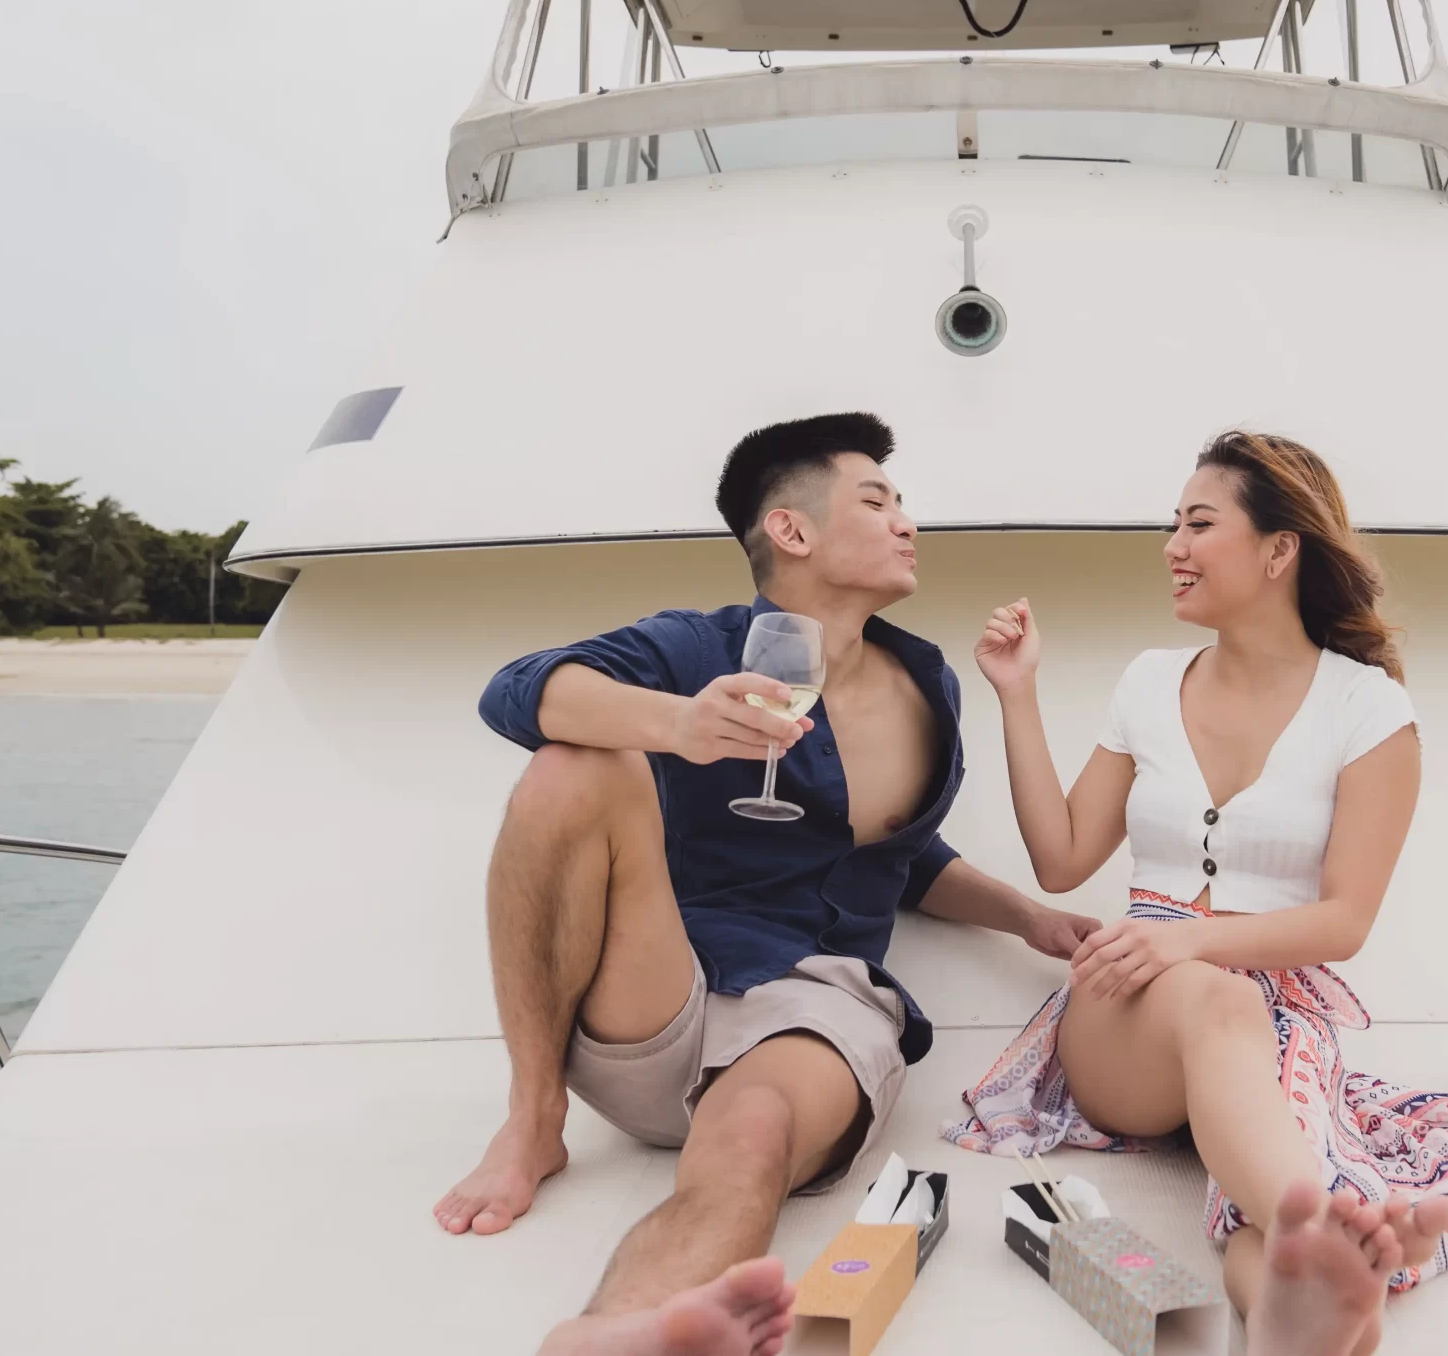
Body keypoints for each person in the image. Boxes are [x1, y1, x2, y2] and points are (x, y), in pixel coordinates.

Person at [950, 431, 1448, 1350]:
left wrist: (1193, 940)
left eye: (1198, 523)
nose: (1172, 545)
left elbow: (1345, 921)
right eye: (1173, 524)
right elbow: (1061, 858)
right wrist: (1016, 693)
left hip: (1277, 1014)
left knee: (1258, 1186)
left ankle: (1289, 1310)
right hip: (1124, 1008)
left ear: (1279, 549)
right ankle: (1329, 1225)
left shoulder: (1368, 709)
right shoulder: (1148, 681)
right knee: (1220, 1006)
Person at [438, 412, 1096, 1356]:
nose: (906, 520)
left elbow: (898, 856)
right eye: (877, 500)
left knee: (748, 1142)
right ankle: (534, 1117)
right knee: (571, 764)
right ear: (791, 529)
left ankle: (615, 1335)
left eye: (902, 501)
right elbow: (513, 689)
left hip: (814, 1009)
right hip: (664, 986)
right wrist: (677, 723)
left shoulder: (929, 687)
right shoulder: (698, 649)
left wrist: (1029, 917)